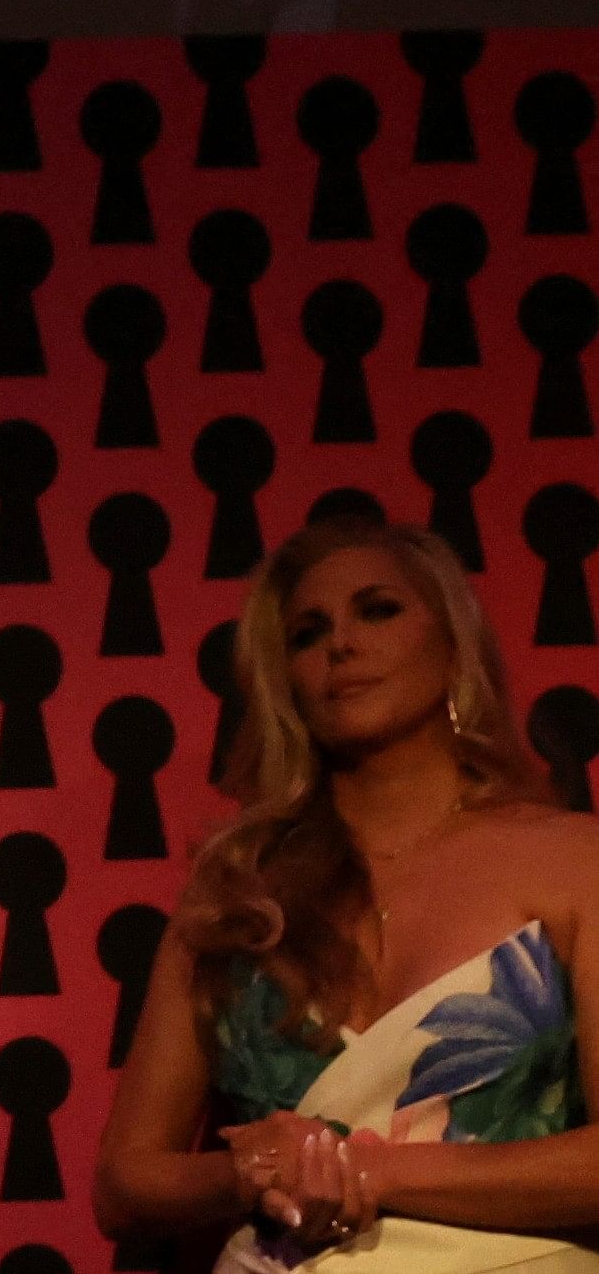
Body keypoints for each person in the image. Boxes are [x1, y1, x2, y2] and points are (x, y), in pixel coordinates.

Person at [95, 518, 599, 1272]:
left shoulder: (572, 857)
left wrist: (368, 1168)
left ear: (453, 640)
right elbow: (123, 1182)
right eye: (306, 632)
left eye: (377, 609)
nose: (340, 644)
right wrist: (244, 1169)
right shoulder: (237, 888)